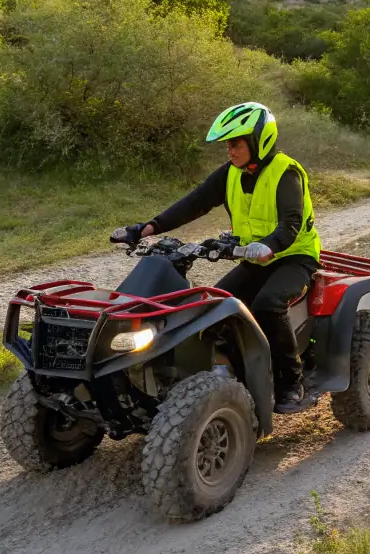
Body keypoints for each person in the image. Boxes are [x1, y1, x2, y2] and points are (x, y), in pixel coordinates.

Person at [122, 102, 320, 414]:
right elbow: (195, 202)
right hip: (254, 261)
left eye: (236, 143)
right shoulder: (230, 174)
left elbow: (292, 223)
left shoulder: (286, 172)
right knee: (215, 309)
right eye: (227, 145)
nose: (230, 151)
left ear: (259, 141)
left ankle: (292, 381)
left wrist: (270, 244)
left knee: (267, 305)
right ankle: (238, 376)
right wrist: (148, 228)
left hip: (294, 258)